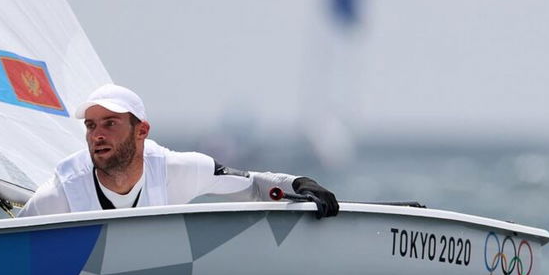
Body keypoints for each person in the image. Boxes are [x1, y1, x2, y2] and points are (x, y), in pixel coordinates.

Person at [18, 84, 339, 218]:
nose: (97, 135)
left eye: (110, 124)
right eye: (91, 126)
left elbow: (254, 185)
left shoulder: (178, 170)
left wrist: (300, 184)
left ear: (141, 131)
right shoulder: (58, 196)